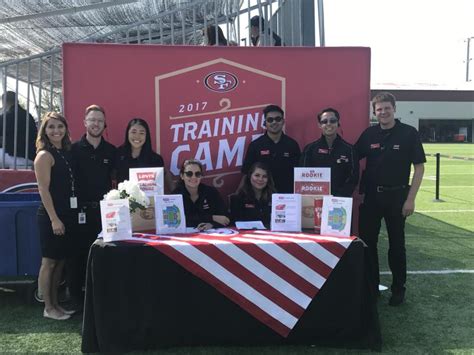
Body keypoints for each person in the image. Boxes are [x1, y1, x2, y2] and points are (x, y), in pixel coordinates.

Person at [355, 92, 426, 306]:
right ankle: (372, 286)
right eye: (379, 109)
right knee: (368, 243)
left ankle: (398, 289)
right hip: (372, 197)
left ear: (394, 109)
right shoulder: (368, 134)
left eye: (387, 108)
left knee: (397, 246)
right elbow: (351, 158)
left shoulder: (408, 133)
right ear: (374, 112)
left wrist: (410, 199)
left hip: (398, 197)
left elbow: (419, 168)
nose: (383, 112)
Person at [68, 104, 116, 306]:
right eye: (92, 119)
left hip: (105, 214)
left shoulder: (111, 151)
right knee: (77, 257)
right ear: (84, 122)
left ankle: (102, 301)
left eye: (99, 120)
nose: (96, 123)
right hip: (78, 212)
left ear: (105, 125)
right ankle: (77, 301)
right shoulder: (72, 149)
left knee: (103, 256)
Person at [34, 112, 76, 320]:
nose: (56, 131)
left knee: (60, 261)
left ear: (66, 129)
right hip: (52, 216)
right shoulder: (44, 156)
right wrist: (54, 219)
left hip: (66, 214)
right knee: (49, 261)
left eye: (60, 126)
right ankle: (48, 307)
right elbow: (43, 190)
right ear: (44, 130)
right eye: (51, 127)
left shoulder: (65, 152)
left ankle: (57, 305)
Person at [300, 108, 359, 197]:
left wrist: (339, 197)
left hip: (340, 201)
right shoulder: (310, 149)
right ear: (319, 125)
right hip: (316, 199)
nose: (329, 124)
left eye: (332, 121)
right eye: (324, 121)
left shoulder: (349, 149)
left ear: (338, 123)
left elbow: (353, 177)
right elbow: (303, 176)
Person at [241, 104, 300, 193]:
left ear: (283, 121)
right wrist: (240, 192)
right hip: (262, 196)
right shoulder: (255, 145)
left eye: (278, 119)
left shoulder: (292, 145)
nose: (274, 122)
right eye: (270, 120)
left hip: (287, 196)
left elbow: (300, 173)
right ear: (265, 123)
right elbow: (246, 173)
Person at [116, 118, 174, 191]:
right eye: (133, 132)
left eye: (141, 133)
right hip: (123, 201)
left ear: (147, 136)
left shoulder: (155, 159)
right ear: (127, 133)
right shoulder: (117, 155)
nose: (137, 136)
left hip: (149, 201)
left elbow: (165, 176)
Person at [172, 159, 229, 231]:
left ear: (201, 176)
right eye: (189, 174)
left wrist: (212, 224)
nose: (193, 177)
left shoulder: (211, 192)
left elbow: (225, 218)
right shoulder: (175, 195)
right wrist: (212, 218)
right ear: (182, 176)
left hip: (210, 236)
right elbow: (177, 221)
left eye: (197, 174)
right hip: (184, 237)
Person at [230, 162, 275, 228]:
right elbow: (235, 224)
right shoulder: (238, 198)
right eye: (257, 175)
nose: (260, 179)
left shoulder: (275, 198)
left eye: (264, 176)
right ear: (250, 176)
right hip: (246, 236)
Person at [0, 91, 37, 168]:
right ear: (17, 100)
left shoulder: (5, 117)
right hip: (31, 156)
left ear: (4, 102)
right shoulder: (28, 115)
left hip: (16, 157)